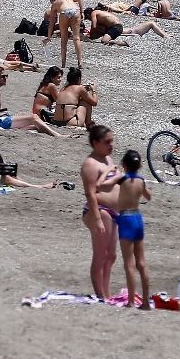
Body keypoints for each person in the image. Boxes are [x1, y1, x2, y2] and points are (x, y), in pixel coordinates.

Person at [102, 149, 153, 310]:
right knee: (141, 263)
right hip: (138, 218)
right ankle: (145, 302)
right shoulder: (141, 180)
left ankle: (131, 301)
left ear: (124, 164)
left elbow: (102, 185)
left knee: (129, 263)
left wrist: (109, 171)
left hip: (126, 219)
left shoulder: (122, 178)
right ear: (139, 165)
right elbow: (149, 196)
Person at [80, 124, 119, 300]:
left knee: (111, 256)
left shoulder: (108, 159)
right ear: (96, 143)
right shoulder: (90, 163)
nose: (111, 145)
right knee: (101, 256)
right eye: (107, 142)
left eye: (112, 141)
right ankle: (101, 295)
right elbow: (90, 193)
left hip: (114, 212)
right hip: (99, 212)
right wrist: (97, 219)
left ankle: (106, 293)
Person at [48, 0, 86, 69]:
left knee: (64, 39)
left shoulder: (55, 3)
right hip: (75, 11)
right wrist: (82, 12)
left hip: (64, 12)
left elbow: (52, 22)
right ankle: (80, 62)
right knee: (76, 38)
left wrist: (49, 36)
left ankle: (63, 63)